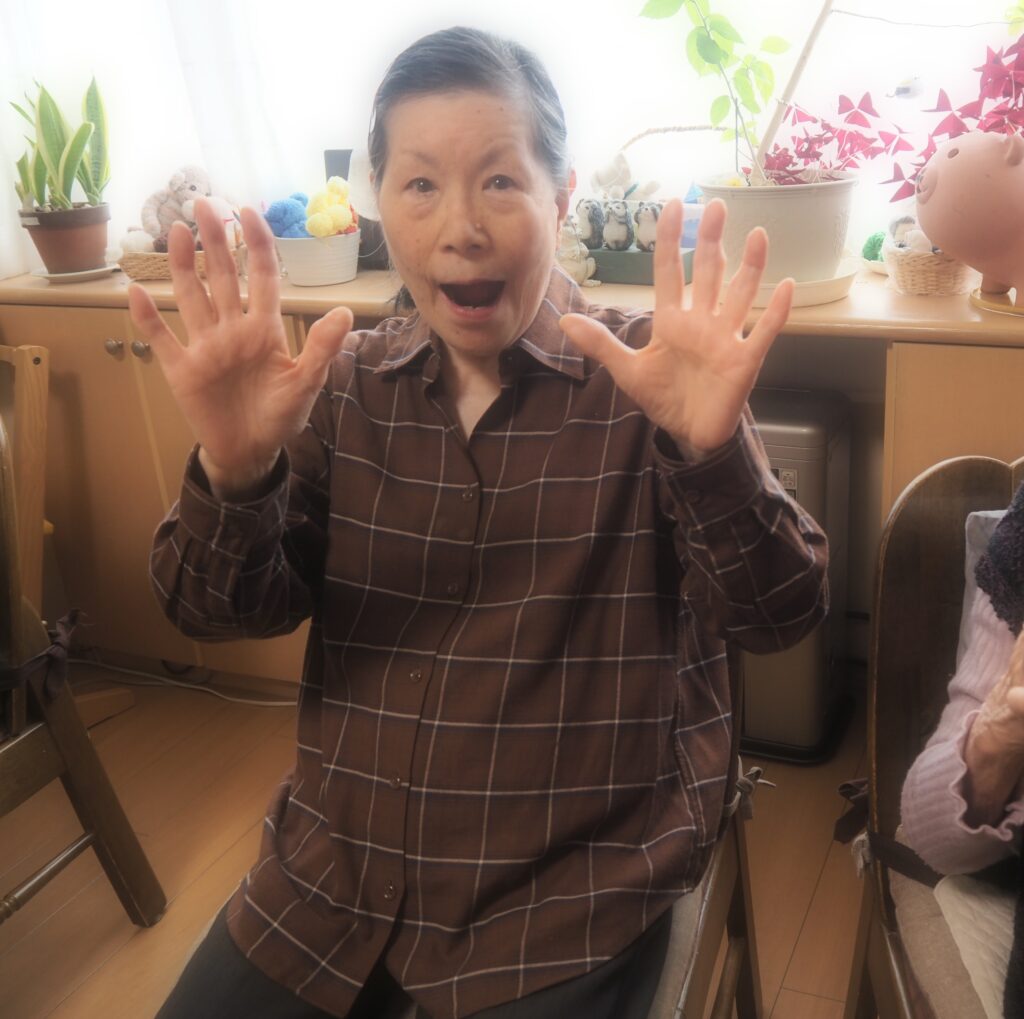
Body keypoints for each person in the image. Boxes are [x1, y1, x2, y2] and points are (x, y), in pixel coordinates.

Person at [133, 26, 828, 1019]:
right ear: (378, 204)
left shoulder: (650, 380)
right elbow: (217, 611)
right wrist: (235, 472)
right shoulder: (345, 387)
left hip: (566, 895)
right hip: (334, 878)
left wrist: (712, 455)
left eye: (500, 180)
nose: (459, 227)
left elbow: (776, 614)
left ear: (563, 196)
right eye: (419, 185)